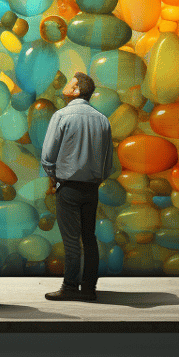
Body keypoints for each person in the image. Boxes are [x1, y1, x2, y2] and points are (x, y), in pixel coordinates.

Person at [40, 72, 112, 301]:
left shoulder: (61, 116)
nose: (65, 86)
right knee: (89, 238)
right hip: (91, 189)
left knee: (71, 240)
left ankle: (70, 287)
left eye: (70, 83)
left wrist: (54, 180)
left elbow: (48, 156)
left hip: (68, 187)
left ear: (78, 90)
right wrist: (95, 180)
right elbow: (108, 163)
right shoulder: (102, 119)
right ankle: (89, 288)